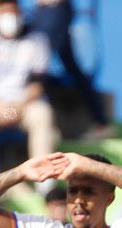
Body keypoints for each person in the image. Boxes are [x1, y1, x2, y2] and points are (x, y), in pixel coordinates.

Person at [0, 0, 59, 167]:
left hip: (24, 106)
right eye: (5, 12)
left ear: (21, 14)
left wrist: (18, 107)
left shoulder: (37, 40)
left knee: (42, 114)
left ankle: (46, 181)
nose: (10, 17)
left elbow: (38, 84)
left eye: (13, 12)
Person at [27, 0, 112, 139]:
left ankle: (100, 123)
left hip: (56, 11)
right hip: (44, 12)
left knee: (42, 65)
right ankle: (99, 122)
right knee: (65, 66)